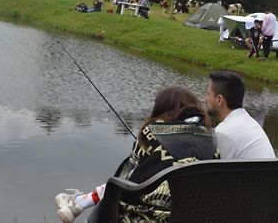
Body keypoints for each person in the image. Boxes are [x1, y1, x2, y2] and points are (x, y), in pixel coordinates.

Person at [55, 86, 218, 223]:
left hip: (146, 216)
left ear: (163, 109)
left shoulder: (152, 132)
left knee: (116, 187)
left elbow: (126, 180)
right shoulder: (211, 140)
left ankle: (79, 203)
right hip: (194, 216)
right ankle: (78, 202)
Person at [206, 71, 275, 159]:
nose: (206, 98)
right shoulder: (248, 121)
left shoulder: (223, 132)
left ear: (219, 99)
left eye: (208, 93)